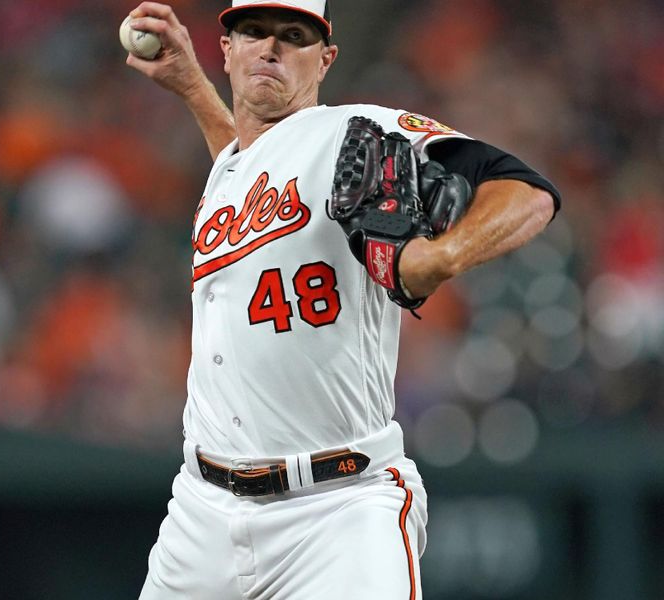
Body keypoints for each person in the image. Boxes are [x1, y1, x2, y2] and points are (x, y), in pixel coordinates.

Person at [125, 1, 560, 598]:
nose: (271, 47)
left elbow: (528, 194)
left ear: (325, 59)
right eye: (253, 31)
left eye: (295, 36)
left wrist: (439, 257)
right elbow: (254, 165)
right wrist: (194, 89)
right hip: (201, 512)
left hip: (337, 510)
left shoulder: (353, 130)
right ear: (226, 50)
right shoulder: (235, 168)